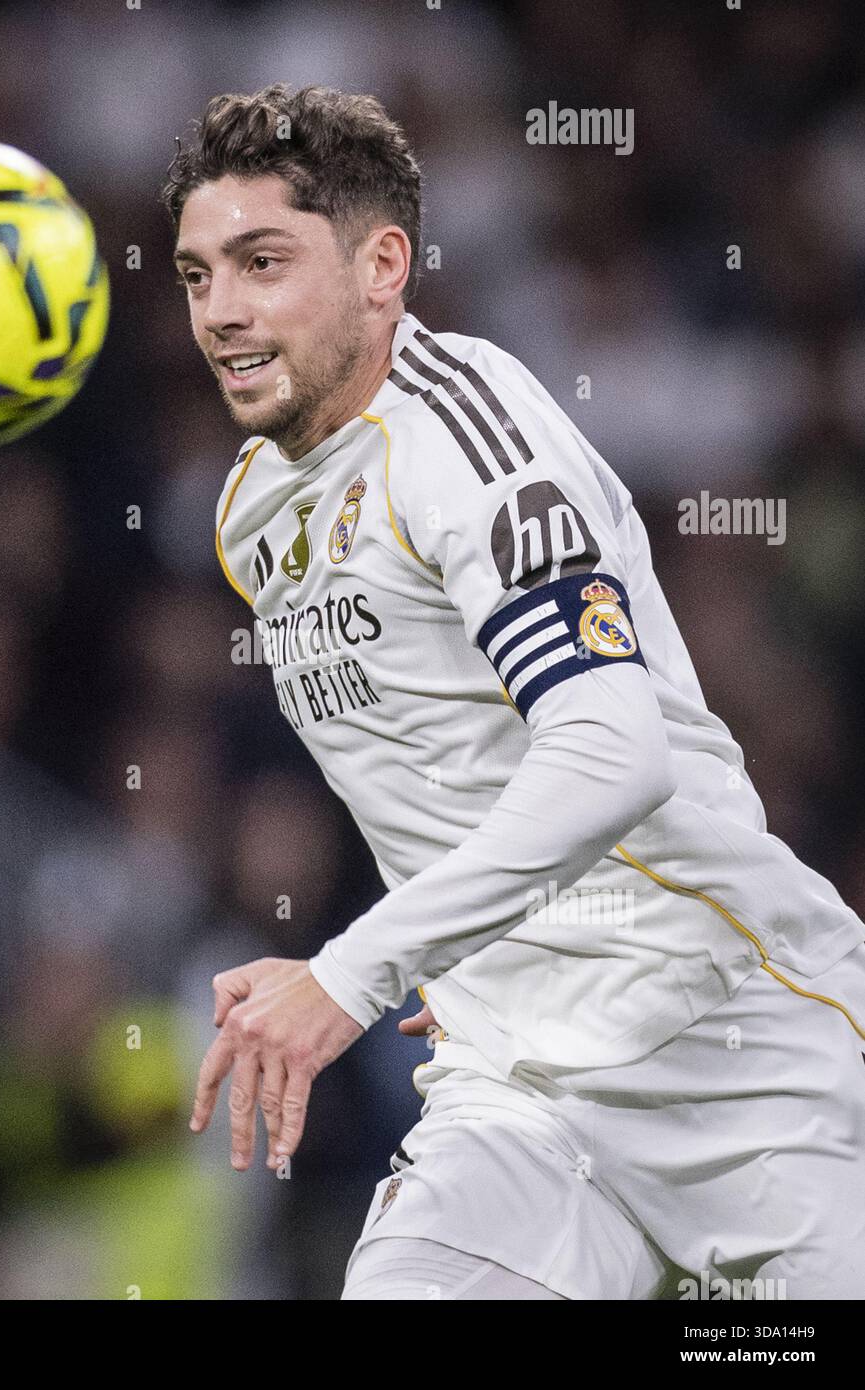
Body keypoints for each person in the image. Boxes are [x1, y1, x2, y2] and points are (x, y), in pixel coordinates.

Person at [160, 83, 865, 1300]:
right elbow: (429, 767)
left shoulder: (468, 438)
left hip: (735, 1057)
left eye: (262, 262)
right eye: (194, 274)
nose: (221, 311)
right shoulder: (250, 514)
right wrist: (485, 949)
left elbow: (611, 753)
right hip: (518, 1095)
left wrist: (350, 974)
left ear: (384, 264)